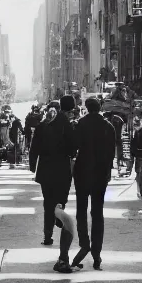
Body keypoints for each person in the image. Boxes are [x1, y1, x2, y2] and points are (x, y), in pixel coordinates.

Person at [30, 97, 77, 272]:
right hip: (62, 169)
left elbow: (34, 147)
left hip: (45, 169)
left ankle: (47, 235)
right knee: (59, 200)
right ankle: (58, 218)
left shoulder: (43, 126)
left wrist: (32, 165)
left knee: (47, 201)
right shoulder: (67, 125)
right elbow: (73, 147)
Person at [71, 98, 116, 271]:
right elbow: (112, 153)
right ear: (100, 108)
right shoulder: (109, 127)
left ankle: (84, 244)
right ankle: (97, 254)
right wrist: (108, 173)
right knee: (97, 213)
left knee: (81, 210)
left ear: (86, 108)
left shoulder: (80, 124)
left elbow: (74, 148)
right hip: (100, 175)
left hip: (82, 173)